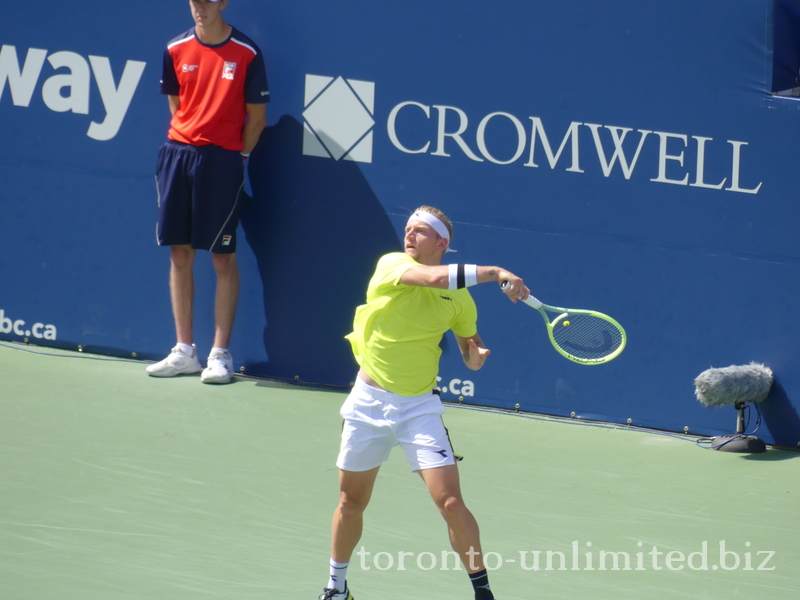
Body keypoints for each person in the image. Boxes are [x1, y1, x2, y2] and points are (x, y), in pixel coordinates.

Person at [319, 206, 530, 600]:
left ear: (442, 243)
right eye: (408, 229)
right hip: (367, 403)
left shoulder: (461, 299)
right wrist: (496, 271)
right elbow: (434, 278)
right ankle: (336, 587)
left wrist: (474, 355)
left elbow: (470, 344)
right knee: (351, 501)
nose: (409, 236)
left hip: (418, 408)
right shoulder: (392, 265)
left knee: (450, 502)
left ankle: (483, 593)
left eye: (420, 232)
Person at [146, 0, 269, 384]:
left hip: (222, 162)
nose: (200, 8)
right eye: (195, 1)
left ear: (223, 3)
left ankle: (219, 354)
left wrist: (238, 156)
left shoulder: (247, 53)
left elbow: (257, 118)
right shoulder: (174, 49)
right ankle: (185, 351)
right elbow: (177, 106)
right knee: (180, 252)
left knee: (221, 258)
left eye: (208, 1)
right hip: (178, 156)